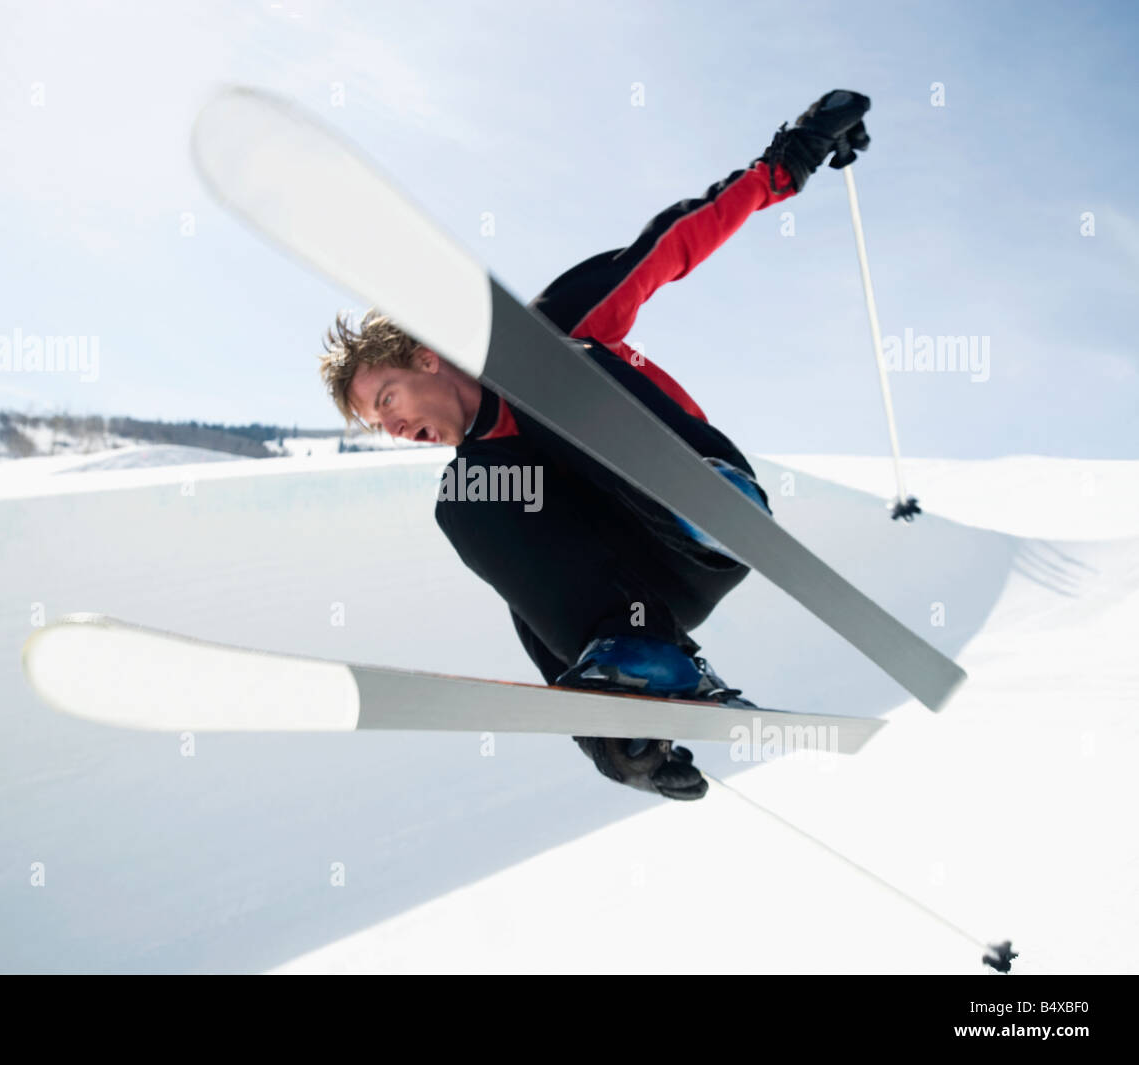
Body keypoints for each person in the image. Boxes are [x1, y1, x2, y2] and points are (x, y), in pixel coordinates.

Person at [318, 90, 871, 801]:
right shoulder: (482, 492)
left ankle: (696, 497)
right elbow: (537, 615)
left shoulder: (544, 332)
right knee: (466, 498)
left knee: (546, 365)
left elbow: (668, 245)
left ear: (426, 356)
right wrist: (611, 740)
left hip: (702, 509)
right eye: (375, 423)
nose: (391, 428)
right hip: (658, 592)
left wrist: (785, 164)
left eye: (385, 400)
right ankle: (647, 663)